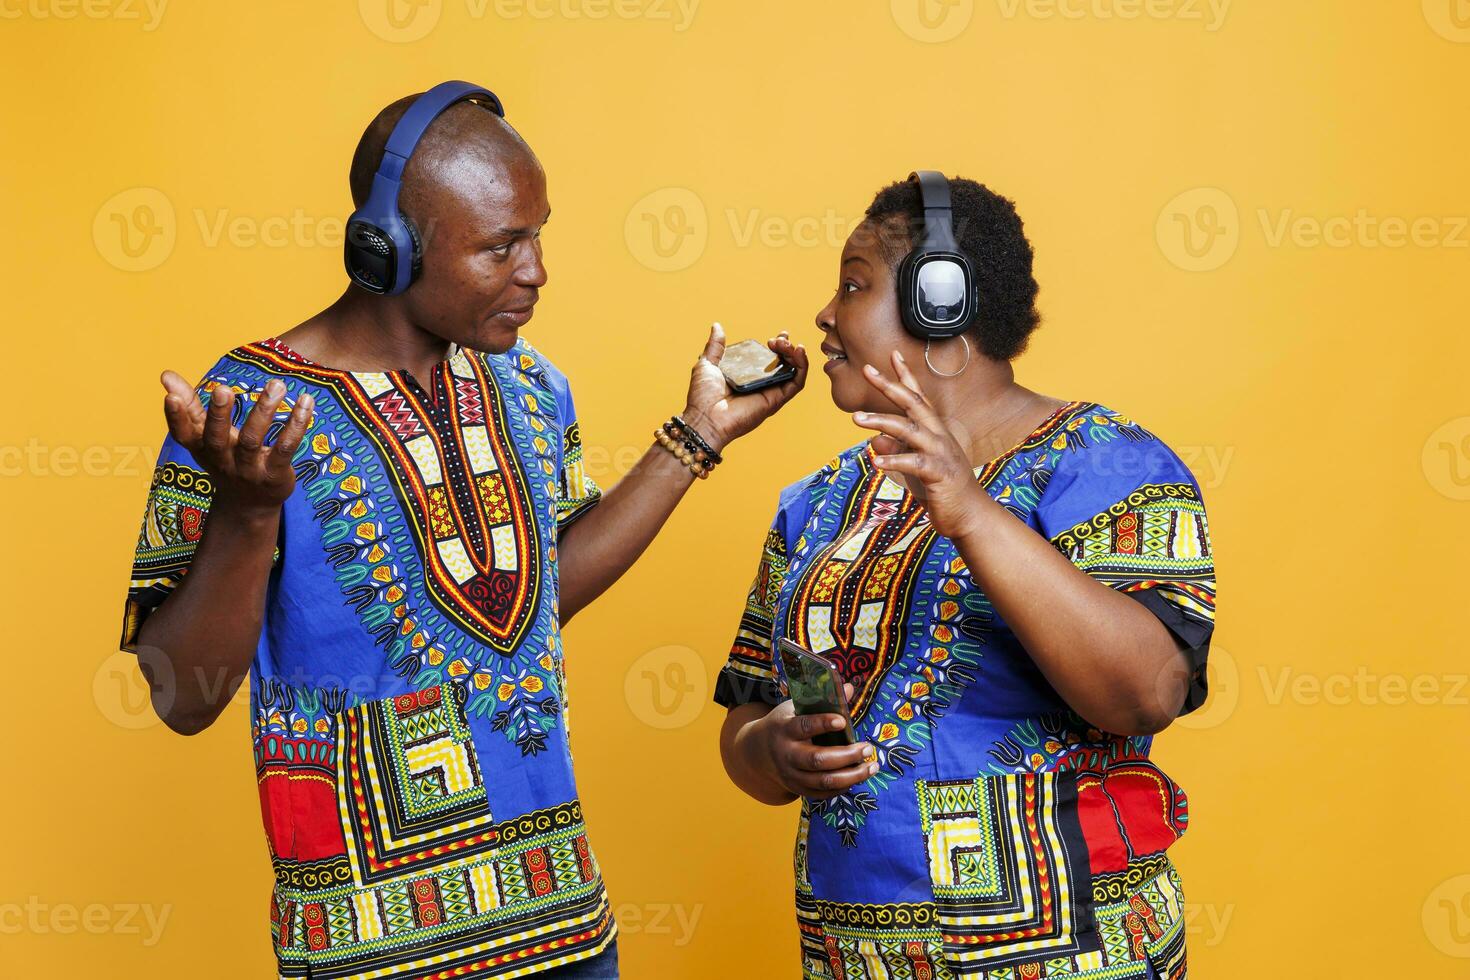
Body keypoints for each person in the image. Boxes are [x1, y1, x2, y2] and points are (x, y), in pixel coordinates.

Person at [118, 82, 807, 979]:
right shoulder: (246, 412)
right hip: (369, 947)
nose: (536, 270)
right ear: (388, 251)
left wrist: (699, 435)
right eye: (499, 245)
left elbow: (534, 597)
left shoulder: (528, 386)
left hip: (562, 923)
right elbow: (184, 698)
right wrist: (249, 514)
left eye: (538, 233)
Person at [716, 173, 1216, 980]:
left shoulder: (1108, 462)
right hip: (856, 959)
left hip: (1067, 957)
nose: (823, 313)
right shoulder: (813, 504)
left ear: (938, 302)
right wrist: (774, 751)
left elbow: (1148, 691)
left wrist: (971, 512)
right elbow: (742, 723)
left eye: (853, 284)